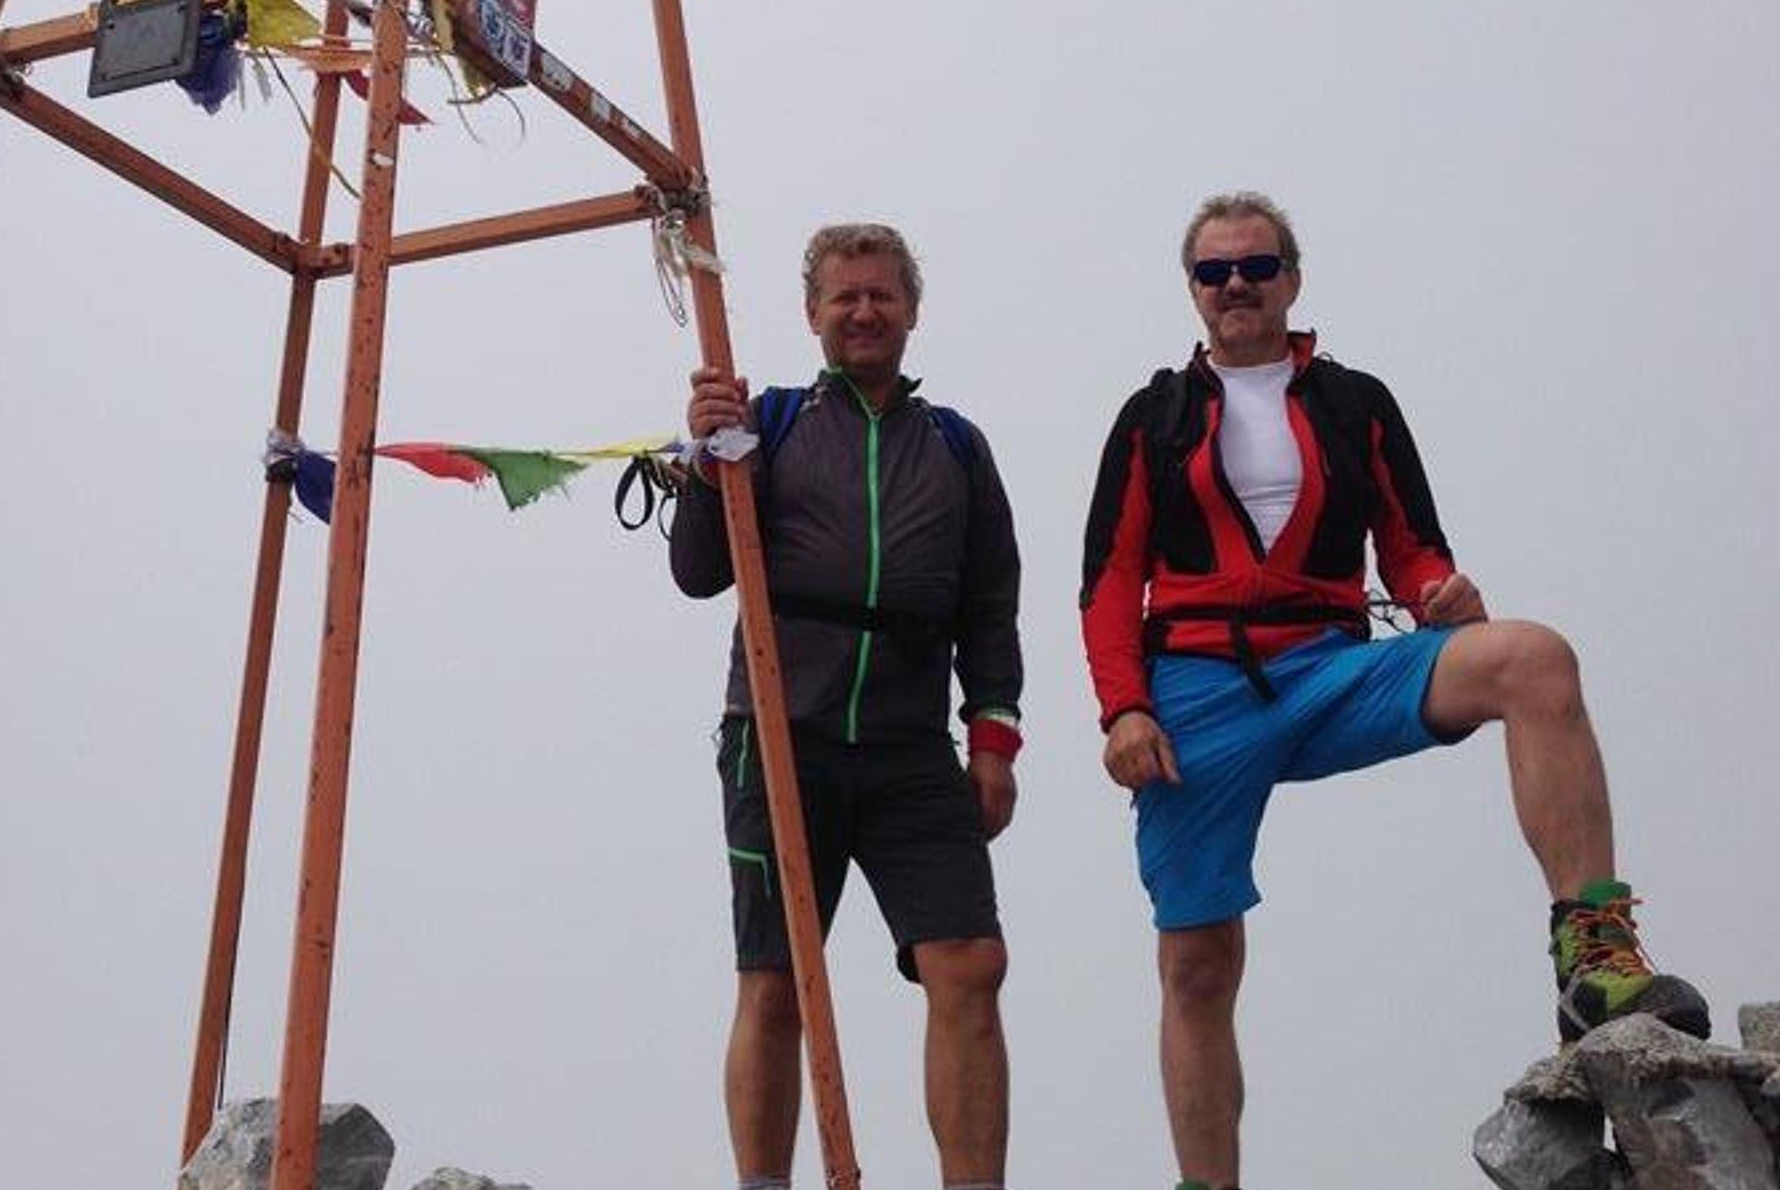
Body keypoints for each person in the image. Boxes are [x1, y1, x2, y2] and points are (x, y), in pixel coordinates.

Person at [1079, 191, 1708, 1190]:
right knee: (1196, 961)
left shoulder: (1354, 401)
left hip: (1333, 667)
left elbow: (1412, 549)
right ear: (1191, 290)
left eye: (1256, 266)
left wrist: (1438, 595)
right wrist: (1123, 708)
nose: (1236, 284)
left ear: (1291, 278)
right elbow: (1110, 580)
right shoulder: (1152, 417)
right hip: (1197, 689)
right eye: (1214, 271)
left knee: (1533, 657)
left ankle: (1593, 955)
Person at [672, 223, 1024, 1190]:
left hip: (912, 746)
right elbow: (698, 571)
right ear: (813, 314)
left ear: (911, 310)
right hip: (781, 733)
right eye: (846, 297)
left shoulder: (956, 445)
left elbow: (990, 603)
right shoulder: (771, 423)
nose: (865, 312)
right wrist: (704, 462)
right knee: (777, 978)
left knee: (971, 962)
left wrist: (994, 739)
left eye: (882, 295)